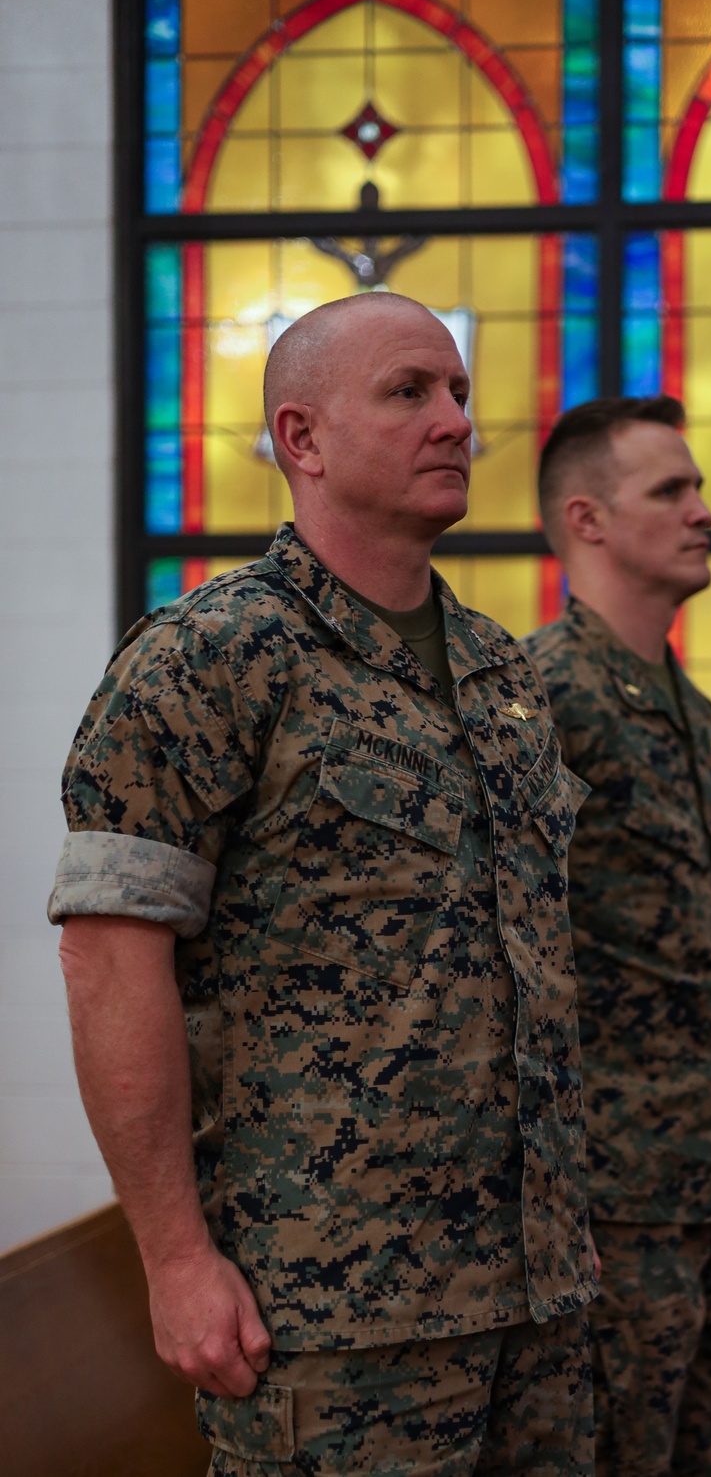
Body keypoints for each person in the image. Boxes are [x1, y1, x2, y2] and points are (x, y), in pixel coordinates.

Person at [49, 293, 598, 1476]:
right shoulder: (215, 657)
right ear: (301, 438)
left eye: (458, 393)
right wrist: (176, 1259)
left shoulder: (503, 671)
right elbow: (108, 958)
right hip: (333, 1314)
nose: (454, 419)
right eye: (410, 392)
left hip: (538, 1297)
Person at [523, 395, 711, 1477]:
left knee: (693, 1456)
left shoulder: (687, 707)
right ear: (589, 520)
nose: (703, 510)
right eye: (671, 490)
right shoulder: (542, 698)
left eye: (698, 487)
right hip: (614, 1198)